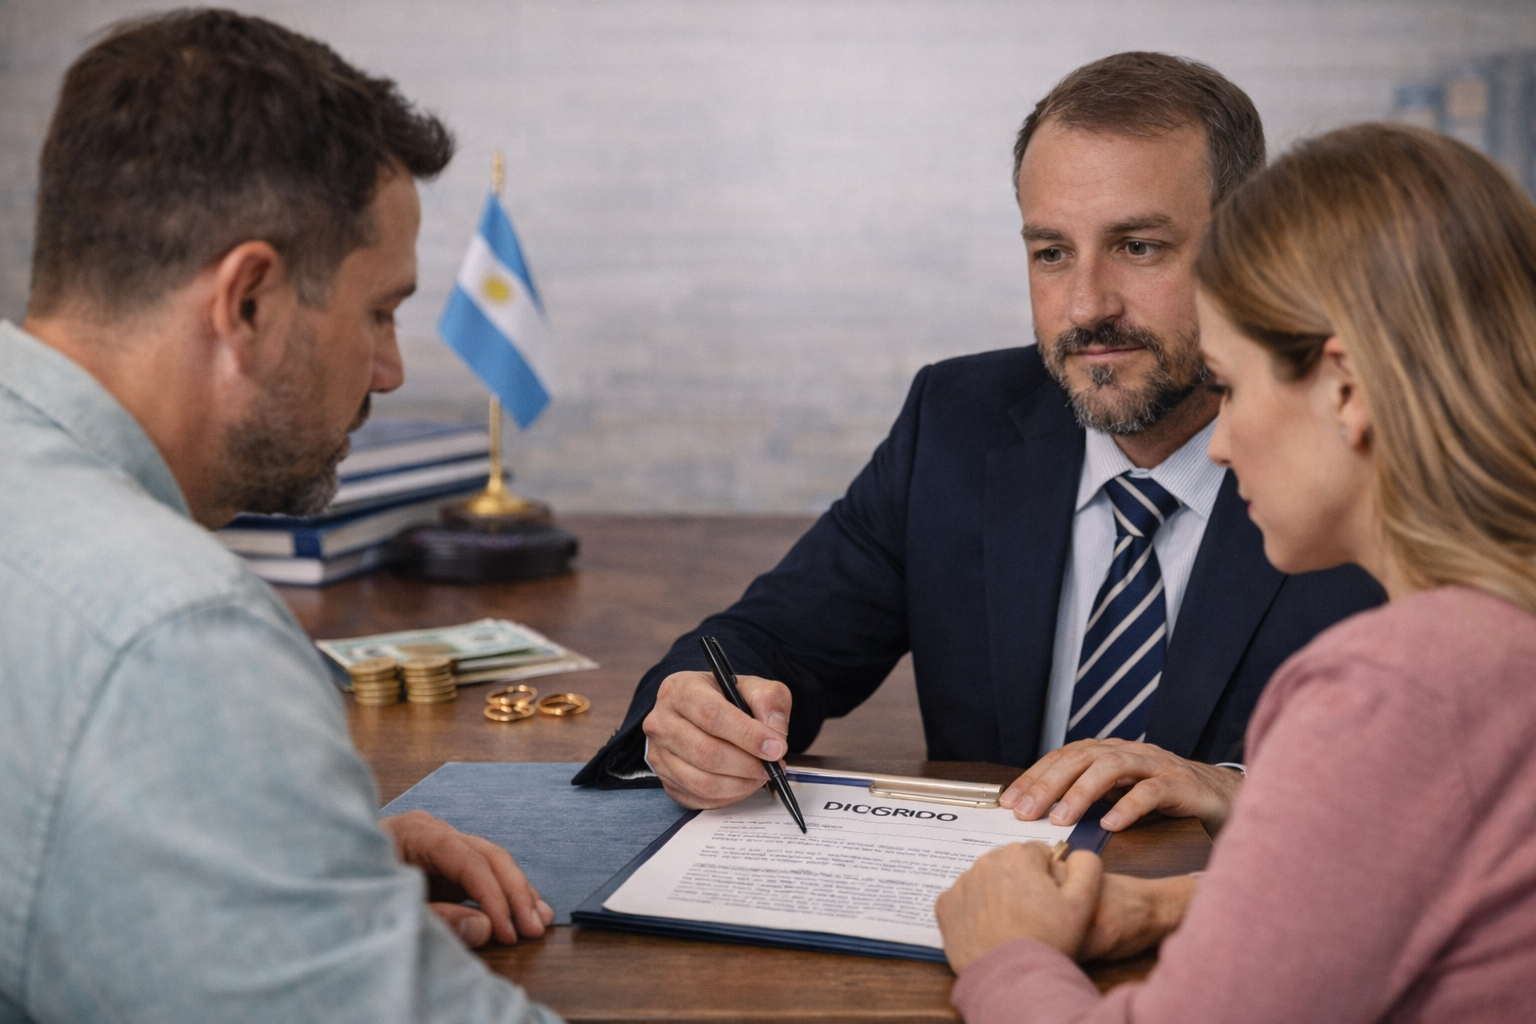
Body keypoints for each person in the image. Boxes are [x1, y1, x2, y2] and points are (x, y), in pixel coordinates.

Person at [575, 53, 1383, 834]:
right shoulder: (958, 419)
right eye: (1051, 253)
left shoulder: (1355, 463)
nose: (1086, 307)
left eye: (1140, 247)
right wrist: (692, 716)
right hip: (970, 928)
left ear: (1248, 247)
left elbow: (1467, 780)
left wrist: (1243, 788)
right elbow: (772, 638)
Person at [0, 11, 561, 1022]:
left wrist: (282, 876)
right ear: (248, 301)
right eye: (379, 312)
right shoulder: (176, 637)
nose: (389, 371)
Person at [935, 122, 1536, 1022]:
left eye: (1236, 386)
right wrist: (1179, 907)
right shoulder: (1496, 644)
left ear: (1346, 390)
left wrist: (1007, 953)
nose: (1219, 443)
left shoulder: (1395, 683)